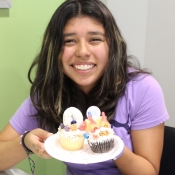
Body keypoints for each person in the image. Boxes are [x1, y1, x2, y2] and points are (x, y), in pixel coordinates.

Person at [0, 0, 169, 174]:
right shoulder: (50, 91)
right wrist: (25, 142)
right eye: (70, 41)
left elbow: (149, 172)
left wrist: (113, 146)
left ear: (111, 45)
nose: (82, 52)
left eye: (95, 39)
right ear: (55, 49)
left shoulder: (143, 89)